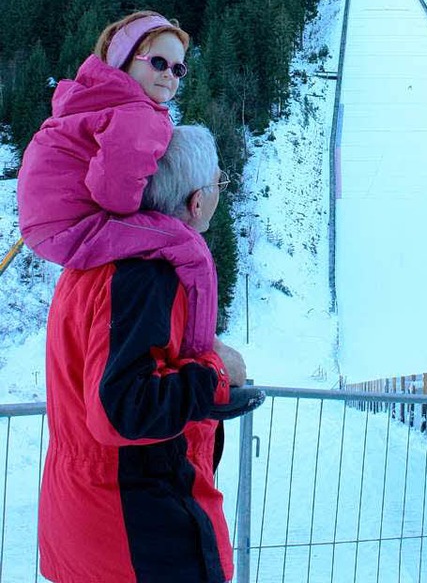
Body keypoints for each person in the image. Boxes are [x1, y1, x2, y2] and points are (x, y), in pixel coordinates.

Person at [38, 124, 264, 583]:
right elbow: (123, 409)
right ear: (197, 202)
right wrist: (218, 373)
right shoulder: (147, 276)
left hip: (87, 521)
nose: (221, 193)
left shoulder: (96, 257)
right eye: (220, 183)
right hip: (136, 535)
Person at [18, 10, 217, 355]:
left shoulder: (94, 99)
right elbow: (113, 194)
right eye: (158, 62)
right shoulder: (138, 115)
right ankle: (197, 351)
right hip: (76, 226)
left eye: (178, 69)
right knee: (190, 248)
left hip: (45, 223)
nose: (169, 75)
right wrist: (141, 208)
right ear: (126, 61)